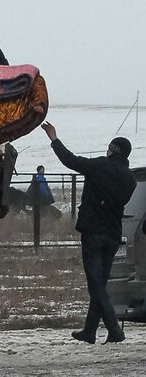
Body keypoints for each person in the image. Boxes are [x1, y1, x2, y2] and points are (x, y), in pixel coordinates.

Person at [41, 121, 137, 344]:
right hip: (113, 235)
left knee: (96, 286)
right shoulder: (130, 179)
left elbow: (70, 160)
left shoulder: (101, 165)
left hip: (94, 233)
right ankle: (90, 331)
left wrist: (54, 139)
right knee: (99, 284)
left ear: (113, 150)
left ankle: (115, 330)